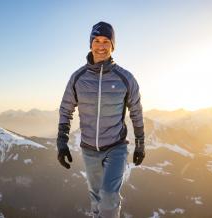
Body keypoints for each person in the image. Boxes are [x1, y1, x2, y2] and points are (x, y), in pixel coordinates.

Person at [56, 21, 145, 218]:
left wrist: (140, 144)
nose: (101, 46)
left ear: (113, 46)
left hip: (116, 146)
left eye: (106, 41)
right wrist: (61, 142)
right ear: (90, 44)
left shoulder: (125, 78)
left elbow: (136, 112)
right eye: (96, 40)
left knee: (109, 196)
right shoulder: (77, 78)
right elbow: (66, 109)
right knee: (96, 198)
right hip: (89, 149)